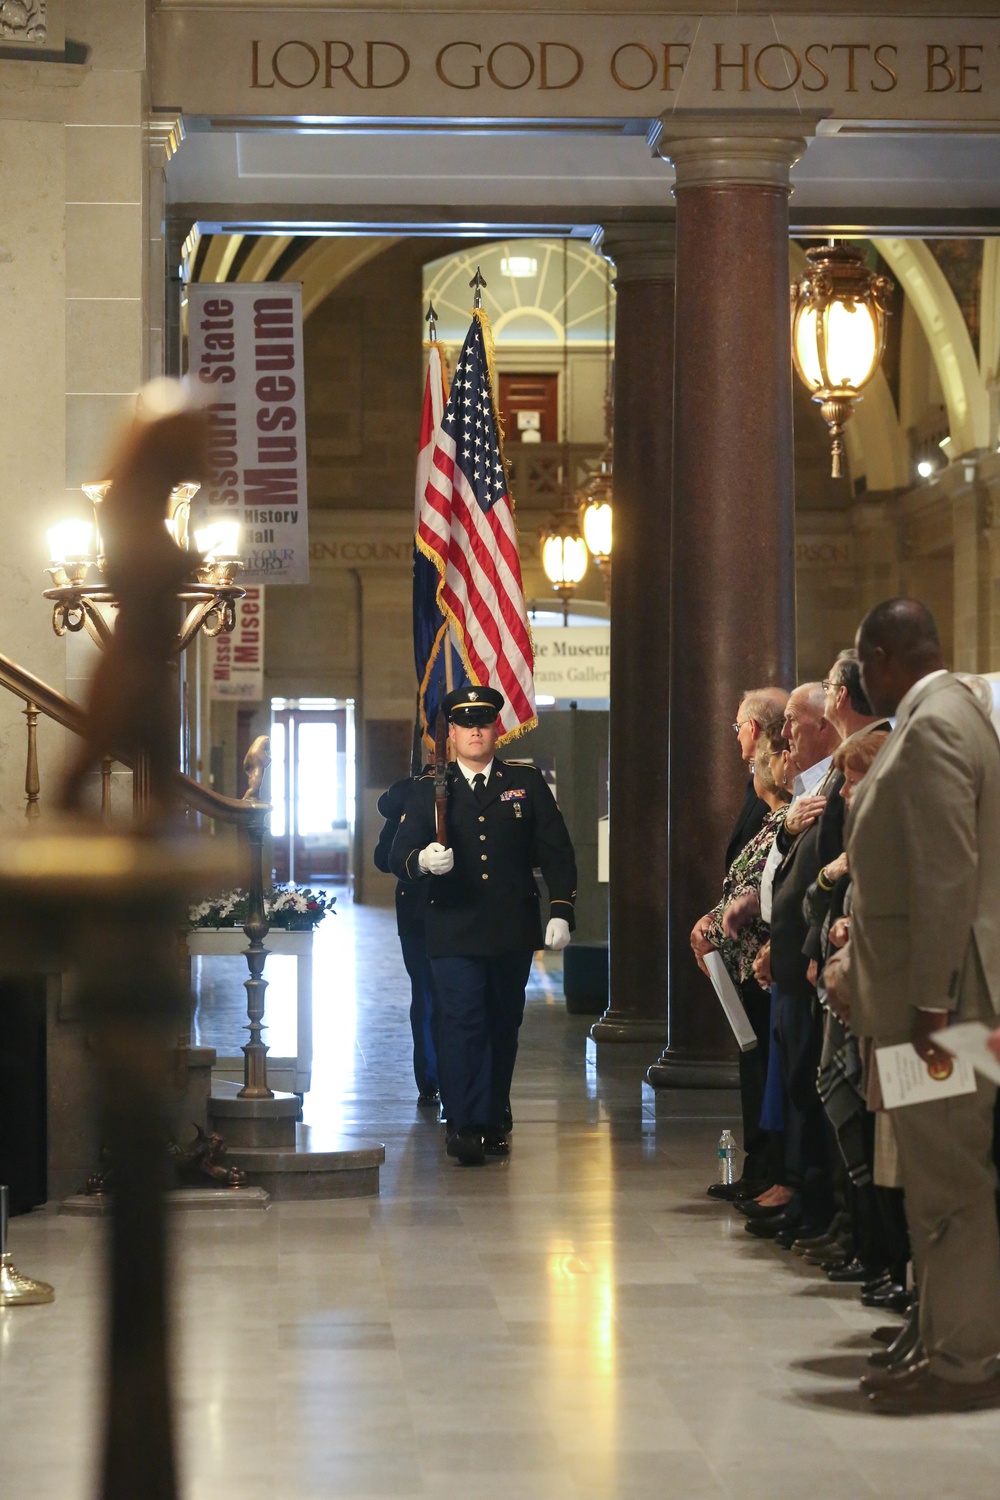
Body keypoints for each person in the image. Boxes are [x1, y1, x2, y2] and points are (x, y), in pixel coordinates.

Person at [849, 597, 1000, 1413]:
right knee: (937, 1183)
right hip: (946, 999)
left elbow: (948, 877)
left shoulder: (935, 724)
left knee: (948, 1181)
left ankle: (969, 1362)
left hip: (946, 1003)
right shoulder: (960, 713)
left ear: (882, 657)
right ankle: (944, 1343)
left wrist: (932, 1006)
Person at [390, 685, 577, 1167]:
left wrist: (561, 909)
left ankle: (493, 1117)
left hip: (510, 928)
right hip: (452, 926)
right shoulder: (431, 787)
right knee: (461, 1022)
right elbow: (396, 855)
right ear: (450, 735)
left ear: (497, 730)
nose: (476, 730)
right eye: (465, 724)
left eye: (484, 723)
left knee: (502, 1024)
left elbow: (556, 849)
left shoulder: (525, 783)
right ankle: (464, 1122)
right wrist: (422, 860)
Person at [695, 730, 791, 1199]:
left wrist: (711, 929)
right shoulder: (773, 821)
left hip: (766, 965)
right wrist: (713, 922)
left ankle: (771, 1172)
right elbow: (744, 888)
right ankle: (761, 1170)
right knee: (757, 1069)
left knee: (769, 1070)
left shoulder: (782, 823)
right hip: (745, 967)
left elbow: (758, 891)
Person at [374, 773, 440, 1108]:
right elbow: (383, 856)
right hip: (417, 911)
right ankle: (430, 1078)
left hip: (463, 910)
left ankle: (453, 1078)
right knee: (427, 996)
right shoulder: (411, 792)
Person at [725, 687, 790, 870]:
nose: (738, 736)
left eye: (739, 726)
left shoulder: (781, 782)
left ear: (752, 727)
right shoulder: (756, 780)